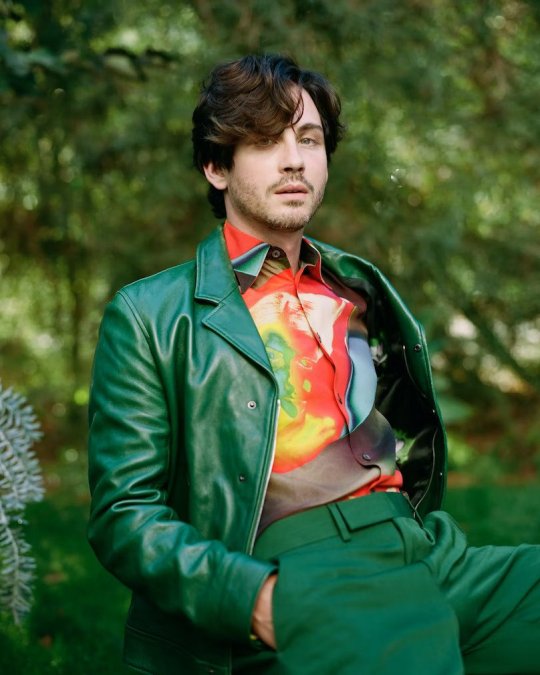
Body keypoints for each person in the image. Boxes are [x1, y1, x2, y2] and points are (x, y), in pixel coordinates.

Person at [87, 54, 540, 675]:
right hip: (303, 564)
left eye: (308, 139)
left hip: (424, 549)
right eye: (264, 142)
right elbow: (124, 514)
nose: (294, 160)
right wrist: (255, 599)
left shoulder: (357, 287)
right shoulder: (152, 314)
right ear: (216, 167)